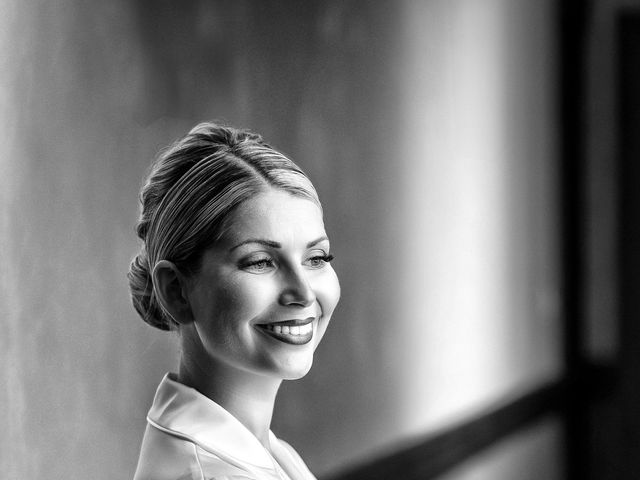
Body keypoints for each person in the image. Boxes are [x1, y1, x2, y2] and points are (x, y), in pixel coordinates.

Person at [128, 122, 341, 480]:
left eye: (316, 258)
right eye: (260, 261)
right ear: (176, 290)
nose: (303, 294)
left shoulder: (265, 451)